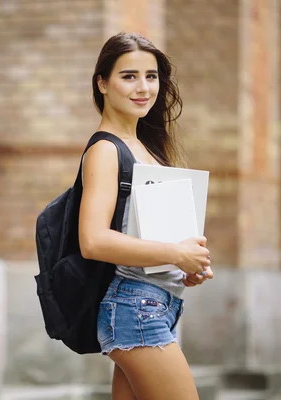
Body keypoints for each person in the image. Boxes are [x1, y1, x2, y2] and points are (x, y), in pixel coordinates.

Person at [78, 32, 214, 400]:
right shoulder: (106, 149)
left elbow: (142, 235)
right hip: (135, 309)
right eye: (129, 76)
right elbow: (93, 241)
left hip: (159, 302)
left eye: (151, 76)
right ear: (102, 83)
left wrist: (186, 265)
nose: (143, 88)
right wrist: (175, 254)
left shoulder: (146, 148)